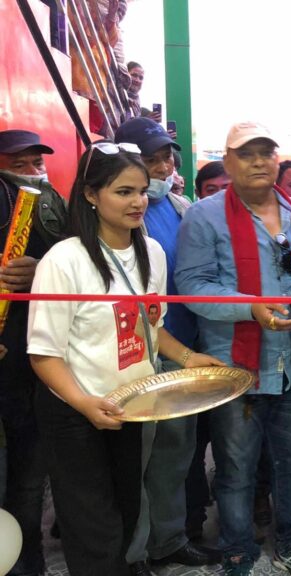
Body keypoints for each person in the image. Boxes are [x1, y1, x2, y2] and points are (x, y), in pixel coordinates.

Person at [27, 142, 222, 576]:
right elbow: (44, 354)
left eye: (141, 191)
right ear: (90, 195)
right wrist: (85, 404)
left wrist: (188, 356)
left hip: (132, 404)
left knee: (129, 513)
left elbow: (151, 326)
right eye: (123, 192)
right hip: (76, 412)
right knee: (93, 528)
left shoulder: (151, 252)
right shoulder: (65, 260)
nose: (137, 202)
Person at [175, 121, 291, 576]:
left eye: (266, 152)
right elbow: (192, 285)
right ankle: (238, 550)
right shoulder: (204, 216)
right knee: (235, 470)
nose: (259, 161)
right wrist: (250, 307)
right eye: (246, 153)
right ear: (227, 161)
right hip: (237, 368)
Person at [114, 118, 220, 574]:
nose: (162, 168)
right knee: (133, 463)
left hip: (180, 350)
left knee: (176, 456)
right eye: (150, 160)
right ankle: (133, 553)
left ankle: (169, 540)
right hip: (132, 357)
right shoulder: (113, 218)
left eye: (165, 158)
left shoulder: (181, 207)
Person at [0, 129, 68, 576]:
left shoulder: (52, 201)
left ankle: (28, 562)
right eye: (17, 162)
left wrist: (42, 271)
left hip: (36, 357)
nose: (30, 169)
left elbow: (77, 262)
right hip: (11, 356)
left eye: (35, 161)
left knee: (28, 473)